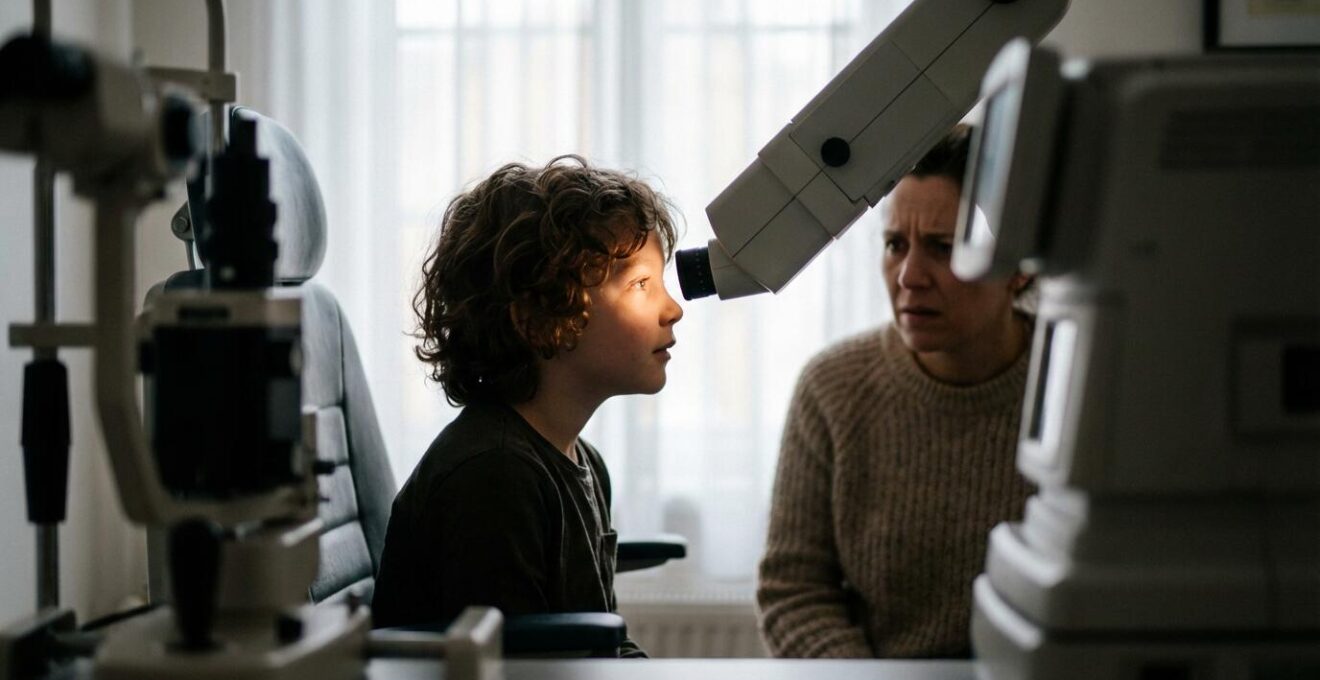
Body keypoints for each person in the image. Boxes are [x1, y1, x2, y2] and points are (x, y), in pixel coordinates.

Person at [371, 155, 684, 659]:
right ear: (541, 318)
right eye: (640, 285)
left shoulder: (582, 461)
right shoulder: (493, 474)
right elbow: (522, 670)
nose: (673, 309)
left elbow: (600, 654)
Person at [756, 125, 1035, 659]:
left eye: (943, 248)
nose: (909, 276)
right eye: (894, 245)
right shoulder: (833, 390)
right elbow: (794, 595)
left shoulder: (1077, 381)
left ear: (1019, 268)